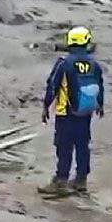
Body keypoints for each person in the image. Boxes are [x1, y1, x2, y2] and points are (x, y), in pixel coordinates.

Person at [38, 27, 104, 197]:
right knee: (83, 145)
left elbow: (52, 85)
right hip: (85, 112)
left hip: (65, 112)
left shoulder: (63, 62)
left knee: (64, 146)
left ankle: (61, 180)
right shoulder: (94, 64)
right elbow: (100, 84)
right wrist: (100, 105)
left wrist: (46, 106)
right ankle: (81, 180)